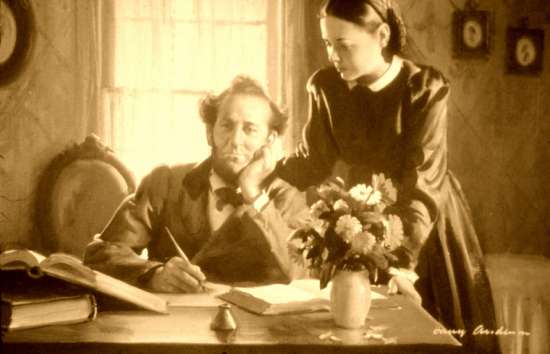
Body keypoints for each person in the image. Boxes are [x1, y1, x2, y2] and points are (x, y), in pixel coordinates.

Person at [239, 0, 498, 352]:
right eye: (328, 44)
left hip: (426, 223)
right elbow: (313, 160)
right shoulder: (325, 86)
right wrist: (262, 175)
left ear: (382, 35)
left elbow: (422, 181)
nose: (333, 54)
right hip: (362, 217)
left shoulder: (424, 88)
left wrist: (403, 265)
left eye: (343, 45)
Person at [84, 76, 308, 293]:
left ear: (270, 140)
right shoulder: (166, 183)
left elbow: (301, 272)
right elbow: (101, 254)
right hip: (173, 323)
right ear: (210, 133)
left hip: (251, 327)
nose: (236, 140)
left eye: (250, 129)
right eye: (226, 126)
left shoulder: (287, 197)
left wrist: (253, 193)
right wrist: (154, 273)